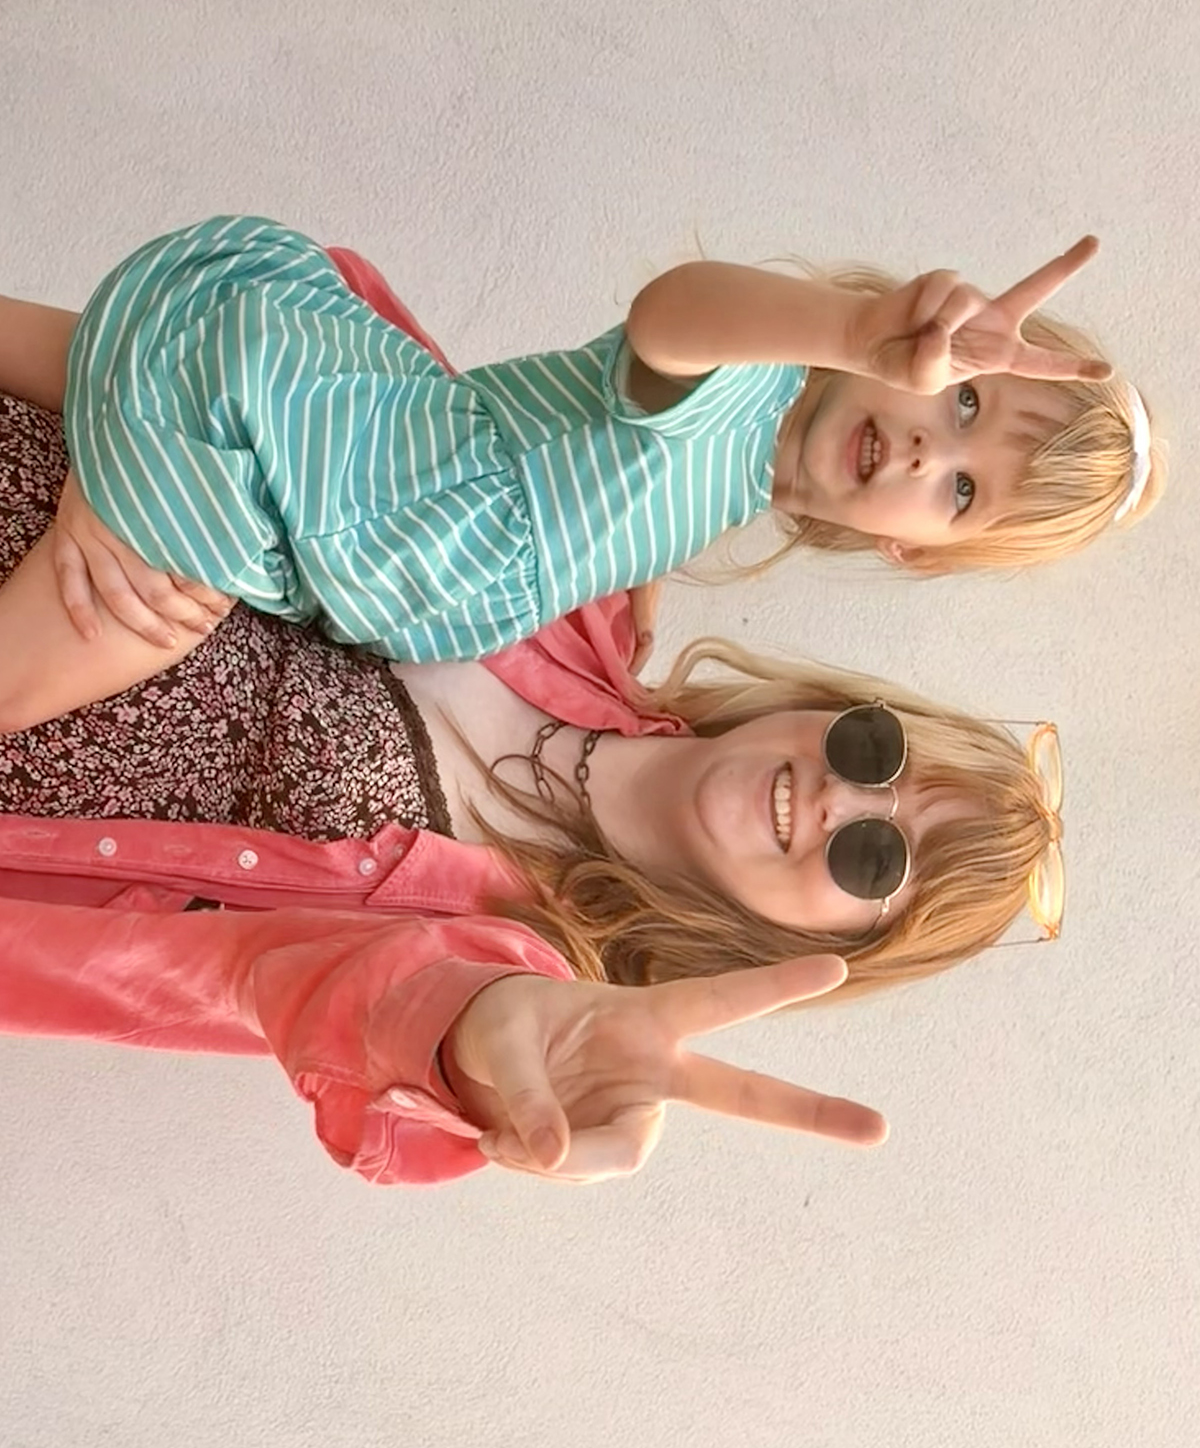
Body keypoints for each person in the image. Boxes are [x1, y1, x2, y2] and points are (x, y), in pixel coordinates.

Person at [0, 386, 1062, 1184]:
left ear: (826, 947)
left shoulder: (524, 957)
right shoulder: (593, 566)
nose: (841, 801)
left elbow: (374, 1004)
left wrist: (472, 1036)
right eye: (877, 754)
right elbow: (288, 367)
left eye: (874, 856)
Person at [0, 219, 1160, 734]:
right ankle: (134, 446)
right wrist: (855, 332)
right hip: (286, 462)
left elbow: (608, 479)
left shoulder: (725, 484)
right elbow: (673, 318)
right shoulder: (741, 377)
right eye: (964, 401)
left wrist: (626, 572)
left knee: (93, 351)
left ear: (915, 549)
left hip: (311, 426)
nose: (926, 449)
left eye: (962, 490)